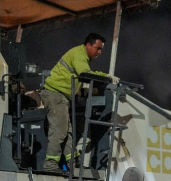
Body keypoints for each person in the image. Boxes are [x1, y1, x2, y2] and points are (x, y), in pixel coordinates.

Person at [40, 33, 116, 171]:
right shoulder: (79, 54)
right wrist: (106, 77)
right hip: (55, 95)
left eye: (101, 49)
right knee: (59, 132)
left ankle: (73, 164)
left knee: (67, 132)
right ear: (88, 45)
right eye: (98, 48)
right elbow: (85, 74)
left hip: (60, 96)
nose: (99, 52)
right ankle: (50, 165)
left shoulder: (80, 55)